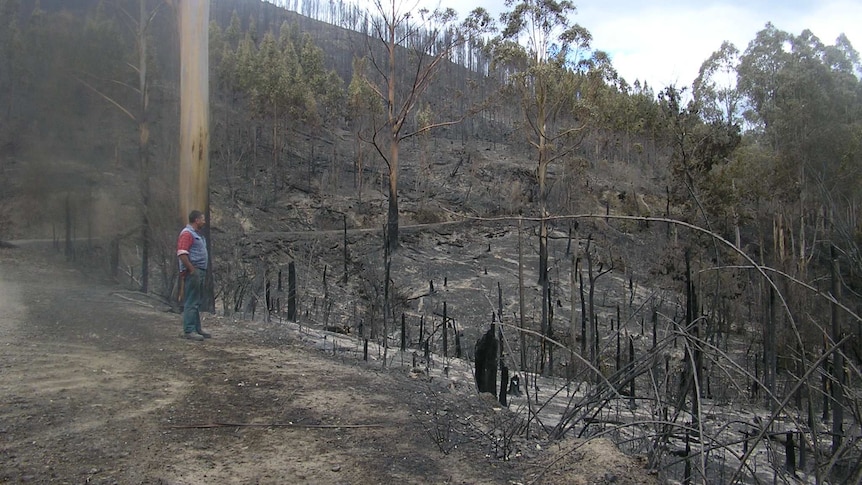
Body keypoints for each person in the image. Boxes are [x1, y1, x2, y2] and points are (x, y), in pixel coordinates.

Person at [176, 210, 210, 341]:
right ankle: (189, 330)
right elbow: (182, 253)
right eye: (202, 219)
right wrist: (191, 269)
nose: (204, 221)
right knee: (191, 300)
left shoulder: (195, 234)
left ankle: (196, 328)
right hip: (194, 271)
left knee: (196, 301)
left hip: (199, 271)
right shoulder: (187, 234)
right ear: (196, 220)